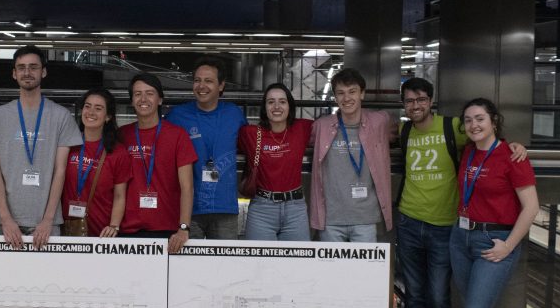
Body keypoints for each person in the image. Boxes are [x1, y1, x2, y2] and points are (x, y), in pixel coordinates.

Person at [445, 98, 539, 308]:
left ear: (494, 121)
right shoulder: (468, 152)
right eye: (468, 120)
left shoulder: (513, 156)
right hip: (461, 238)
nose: (474, 125)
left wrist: (508, 246)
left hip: (494, 241)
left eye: (480, 118)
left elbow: (531, 207)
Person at [0, 44, 82, 250]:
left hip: (47, 224)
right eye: (21, 67)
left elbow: (60, 171)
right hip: (6, 224)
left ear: (43, 72)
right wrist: (6, 219)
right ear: (14, 73)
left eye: (33, 67)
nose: (27, 72)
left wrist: (48, 219)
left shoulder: (61, 116)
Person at [166, 57, 246, 239]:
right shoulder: (177, 116)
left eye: (208, 81)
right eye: (197, 80)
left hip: (225, 207)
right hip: (188, 209)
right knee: (188, 258)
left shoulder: (234, 114)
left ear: (221, 85)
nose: (201, 86)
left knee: (224, 258)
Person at [309, 68, 393, 242]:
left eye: (352, 91)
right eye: (341, 93)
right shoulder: (322, 126)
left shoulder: (379, 122)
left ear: (362, 94)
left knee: (365, 262)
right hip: (331, 220)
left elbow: (398, 130)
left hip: (365, 219)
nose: (346, 98)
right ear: (335, 97)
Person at [118, 72, 197, 252]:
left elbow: (187, 187)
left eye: (149, 93)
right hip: (127, 230)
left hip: (168, 232)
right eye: (137, 94)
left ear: (160, 99)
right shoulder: (122, 135)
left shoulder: (178, 135)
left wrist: (184, 227)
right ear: (132, 101)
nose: (143, 99)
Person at [237, 83, 313, 241]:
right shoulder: (250, 133)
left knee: (298, 257)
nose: (276, 106)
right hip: (262, 210)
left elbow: (331, 128)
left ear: (290, 106)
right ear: (264, 107)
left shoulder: (302, 128)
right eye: (271, 102)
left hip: (295, 209)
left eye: (282, 102)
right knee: (260, 258)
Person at [61, 88, 132, 236]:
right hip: (66, 232)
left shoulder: (118, 152)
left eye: (98, 108)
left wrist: (114, 226)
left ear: (108, 117)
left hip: (102, 234)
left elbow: (119, 195)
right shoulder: (67, 144)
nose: (91, 112)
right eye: (87, 106)